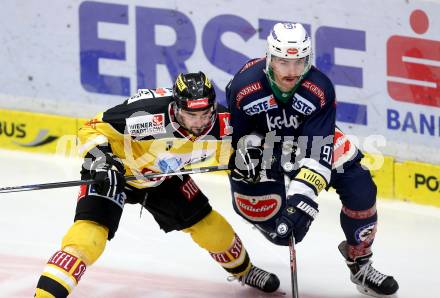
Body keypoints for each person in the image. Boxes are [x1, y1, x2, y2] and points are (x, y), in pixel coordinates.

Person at [34, 72, 280, 298]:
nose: (198, 124)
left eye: (205, 114)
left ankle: (244, 271)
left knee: (210, 227)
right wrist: (103, 162)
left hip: (164, 175)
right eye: (191, 115)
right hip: (116, 171)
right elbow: (90, 129)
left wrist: (244, 163)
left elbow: (234, 153)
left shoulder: (222, 123)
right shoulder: (146, 116)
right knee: (89, 237)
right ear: (176, 107)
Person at [226, 22, 399, 297]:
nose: (291, 71)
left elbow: (318, 151)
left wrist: (301, 200)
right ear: (270, 58)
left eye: (299, 62)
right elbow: (237, 137)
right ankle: (268, 221)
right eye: (283, 61)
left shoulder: (320, 88)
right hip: (267, 146)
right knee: (269, 219)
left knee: (360, 186)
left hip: (310, 142)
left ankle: (360, 261)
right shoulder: (245, 85)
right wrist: (251, 150)